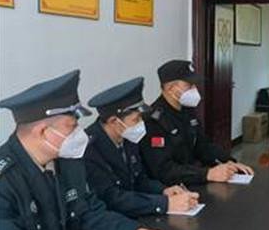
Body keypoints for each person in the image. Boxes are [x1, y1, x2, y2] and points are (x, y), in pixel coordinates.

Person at [0, 70, 173, 230]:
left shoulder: (66, 160)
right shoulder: (4, 180)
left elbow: (89, 212)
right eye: (71, 127)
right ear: (43, 132)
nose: (79, 134)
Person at [85, 77, 200, 217]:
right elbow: (112, 198)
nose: (141, 123)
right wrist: (164, 204)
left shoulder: (127, 136)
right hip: (112, 219)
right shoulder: (89, 148)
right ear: (114, 121)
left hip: (136, 211)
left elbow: (140, 180)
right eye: (136, 119)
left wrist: (164, 191)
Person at [140, 59, 254, 185]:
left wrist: (229, 162)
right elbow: (164, 170)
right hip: (172, 188)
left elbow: (203, 146)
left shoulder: (187, 110)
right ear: (171, 89)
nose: (195, 89)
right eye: (189, 85)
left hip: (194, 179)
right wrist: (207, 174)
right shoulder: (153, 120)